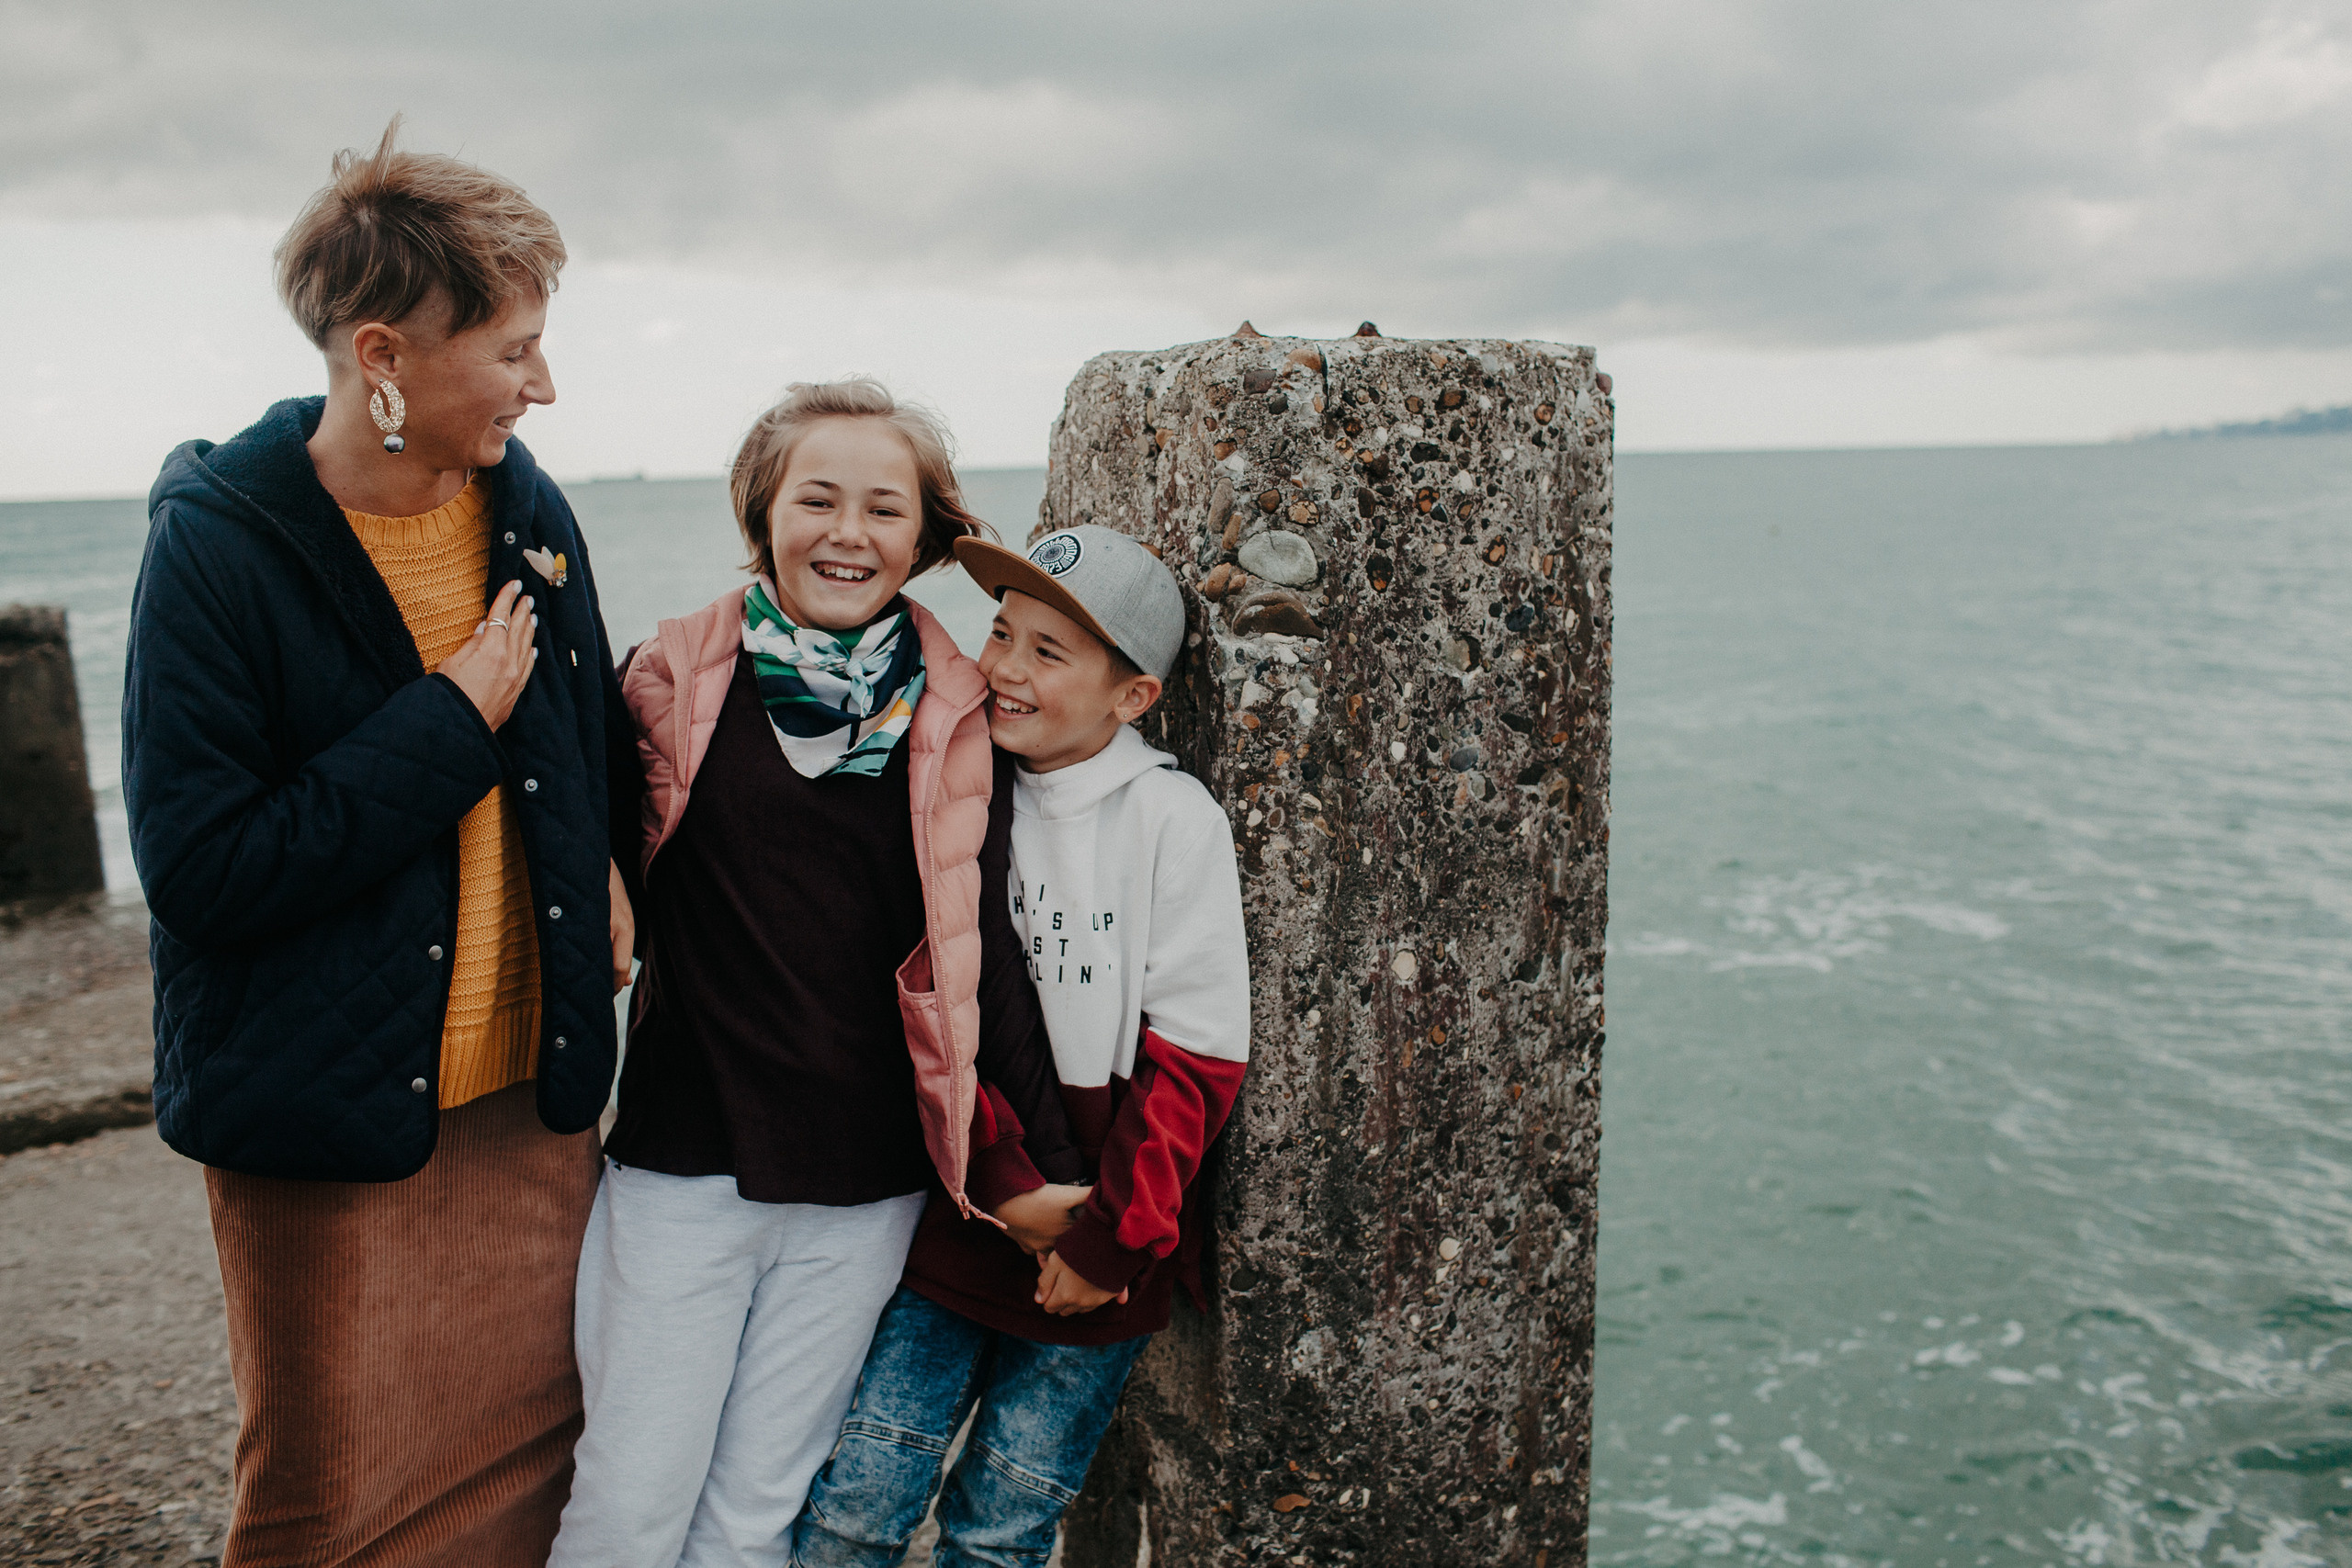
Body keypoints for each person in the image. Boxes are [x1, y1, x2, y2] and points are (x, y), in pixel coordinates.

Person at [121, 120, 639, 1566]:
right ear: (383, 355)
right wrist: (446, 722)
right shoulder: (218, 543)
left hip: (526, 1093)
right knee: (322, 1495)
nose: (544, 383)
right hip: (321, 1110)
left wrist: (611, 877)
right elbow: (206, 868)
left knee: (532, 1464)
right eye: (516, 348)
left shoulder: (524, 504)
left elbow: (588, 754)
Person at [548, 379, 1086, 1568]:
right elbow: (559, 812)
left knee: (755, 1516)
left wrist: (1047, 1177)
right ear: (764, 510)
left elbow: (986, 958)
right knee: (629, 1506)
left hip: (868, 1188)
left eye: (884, 508)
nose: (850, 531)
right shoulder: (670, 679)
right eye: (819, 498)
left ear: (927, 535)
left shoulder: (960, 714)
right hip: (683, 1168)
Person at [791, 525, 1252, 1568]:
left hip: (1101, 1239)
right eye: (1001, 633)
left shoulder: (1169, 819)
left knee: (1002, 1531)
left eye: (1049, 652)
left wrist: (1107, 1244)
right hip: (962, 1211)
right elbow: (936, 1003)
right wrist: (997, 1181)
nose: (1002, 668)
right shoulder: (963, 787)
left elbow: (1200, 1053)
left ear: (1132, 697)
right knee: (857, 1504)